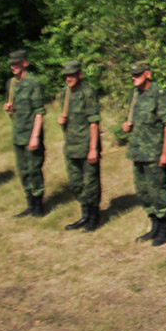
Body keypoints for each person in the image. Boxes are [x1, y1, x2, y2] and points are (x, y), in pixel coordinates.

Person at [122, 61, 166, 246]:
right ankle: (154, 225)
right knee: (143, 190)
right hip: (138, 150)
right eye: (133, 75)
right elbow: (139, 120)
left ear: (148, 74)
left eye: (137, 75)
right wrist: (128, 126)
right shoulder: (136, 94)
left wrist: (165, 153)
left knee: (158, 189)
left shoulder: (158, 94)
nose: (134, 78)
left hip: (154, 151)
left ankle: (164, 227)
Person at [58, 61, 102, 231]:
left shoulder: (88, 93)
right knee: (76, 183)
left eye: (72, 75)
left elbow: (94, 123)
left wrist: (93, 149)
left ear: (80, 75)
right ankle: (84, 215)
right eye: (66, 76)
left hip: (86, 145)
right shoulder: (65, 94)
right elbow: (67, 122)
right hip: (71, 146)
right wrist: (61, 122)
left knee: (91, 183)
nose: (68, 78)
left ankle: (93, 217)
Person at [2, 50, 46, 217]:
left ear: (24, 63)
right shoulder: (11, 83)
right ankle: (29, 203)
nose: (13, 67)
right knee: (22, 171)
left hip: (31, 133)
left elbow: (39, 112)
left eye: (17, 63)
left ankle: (38, 205)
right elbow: (15, 107)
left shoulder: (34, 83)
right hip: (18, 133)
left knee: (34, 169)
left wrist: (35, 136)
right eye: (11, 64)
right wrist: (9, 108)